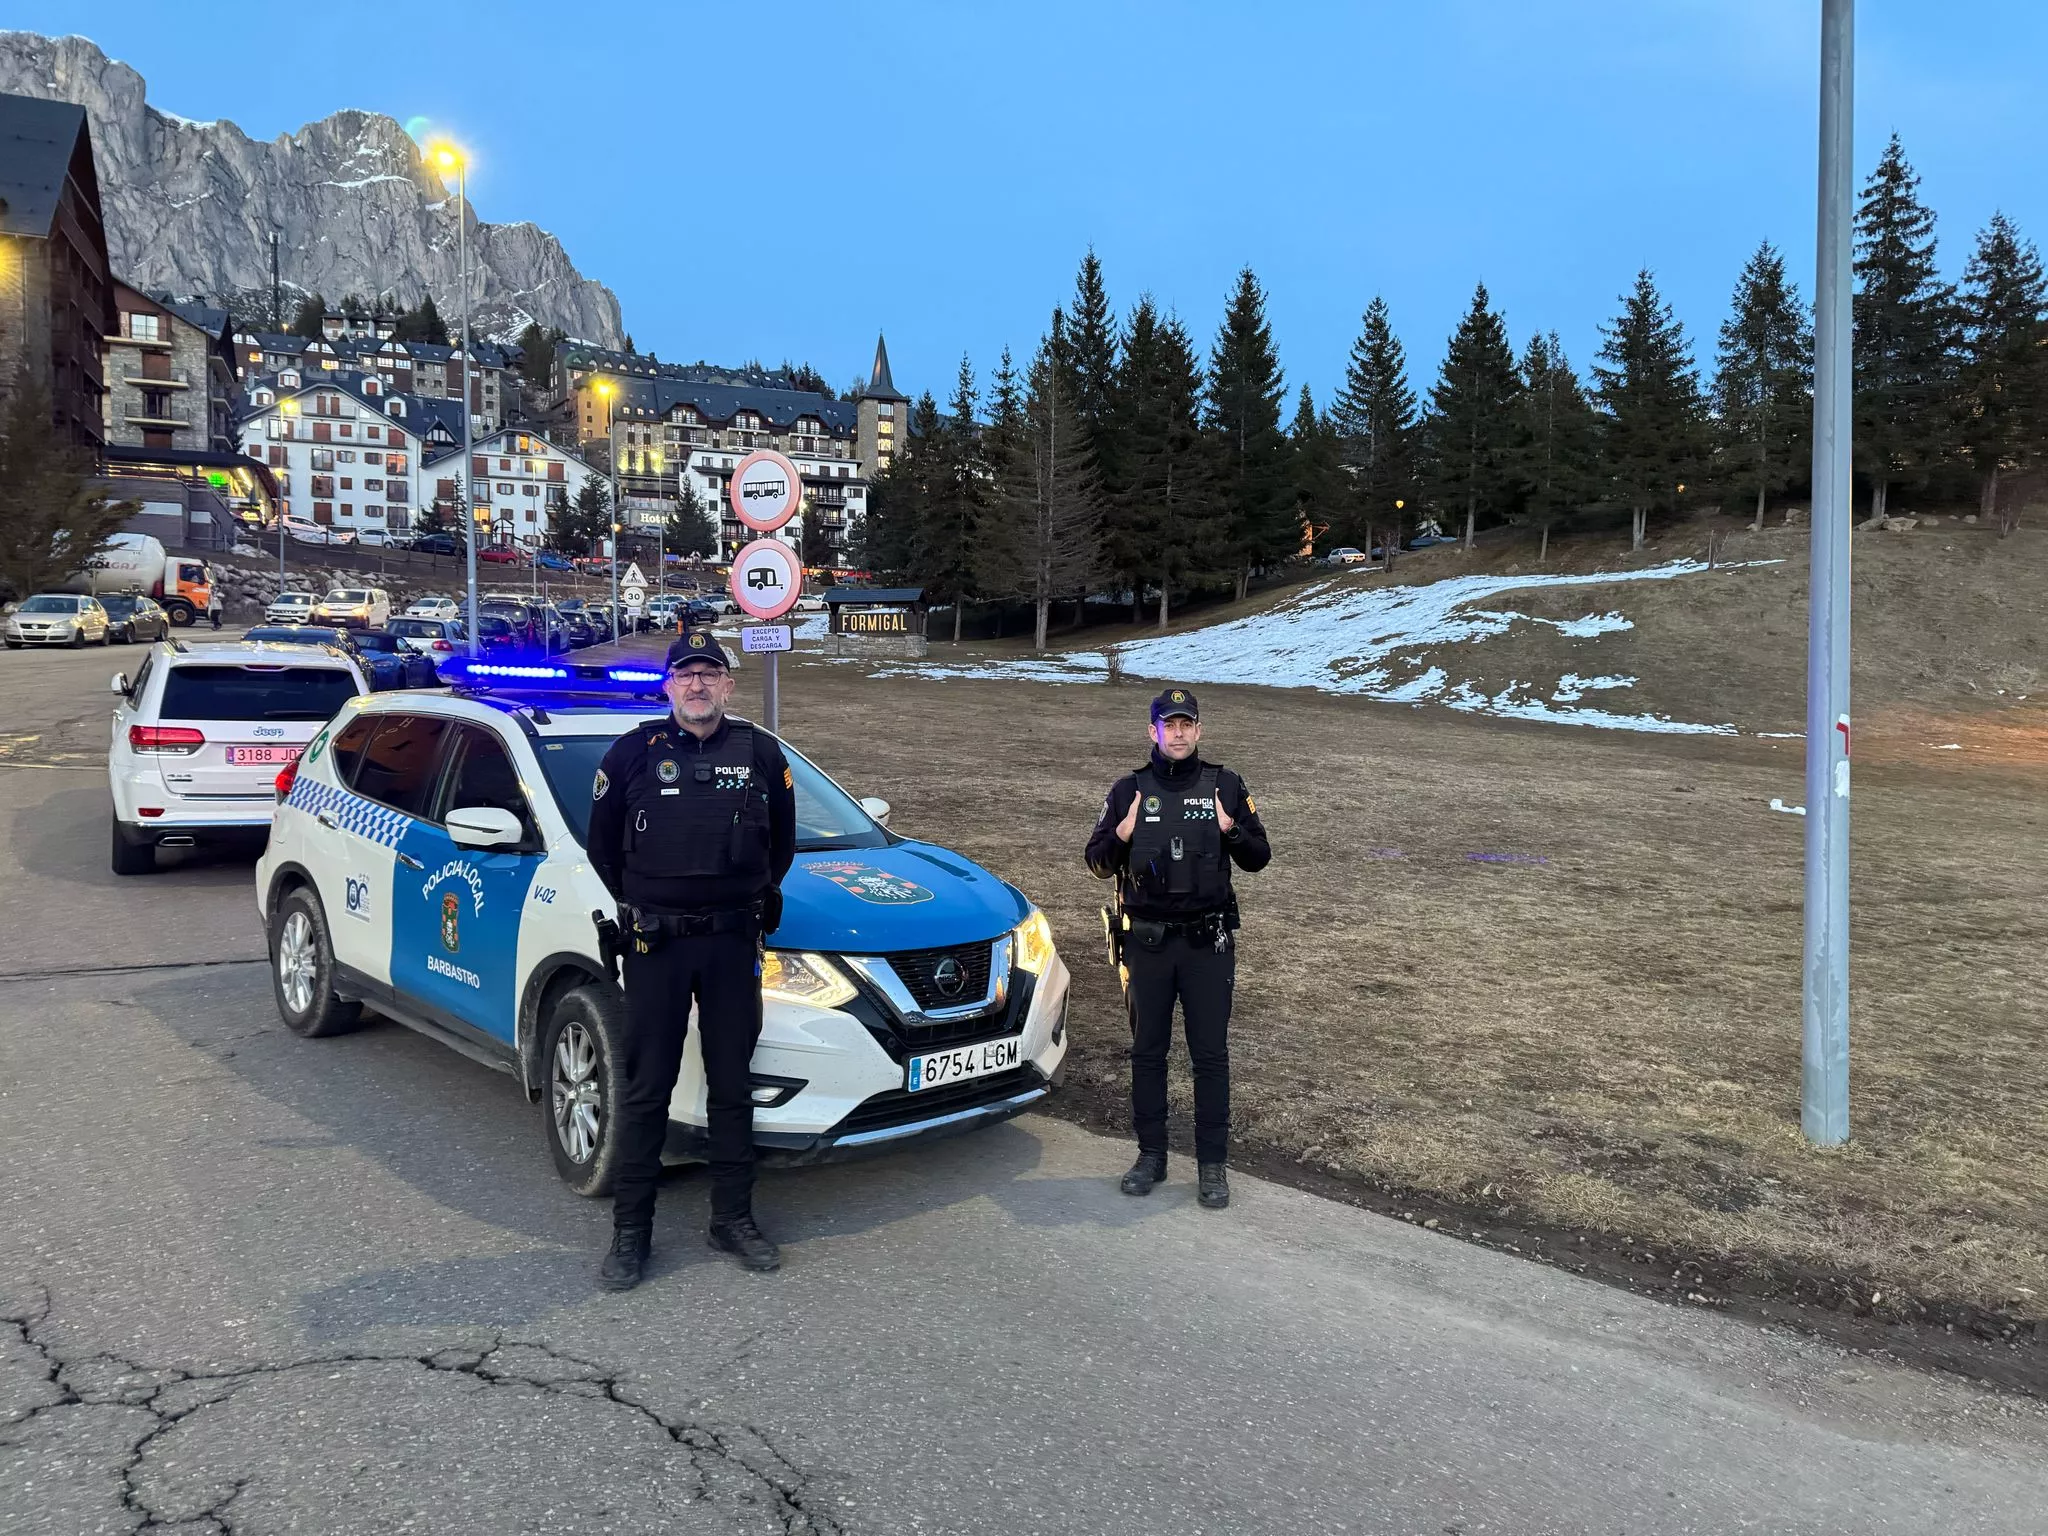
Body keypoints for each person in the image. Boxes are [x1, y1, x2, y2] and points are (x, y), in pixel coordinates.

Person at [586, 628, 797, 1289]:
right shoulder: (629, 754)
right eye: (686, 674)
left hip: (733, 944)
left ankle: (731, 1219)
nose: (698, 684)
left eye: (710, 673)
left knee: (733, 1086)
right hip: (658, 945)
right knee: (648, 1089)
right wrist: (650, 902)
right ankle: (631, 1233)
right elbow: (603, 850)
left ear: (728, 685)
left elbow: (781, 848)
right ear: (669, 685)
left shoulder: (762, 753)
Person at [1084, 687, 1270, 1209]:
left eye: (1187, 723)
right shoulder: (1128, 790)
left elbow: (1259, 858)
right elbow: (1095, 862)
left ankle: (1213, 1166)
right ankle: (1152, 1156)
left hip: (1207, 945)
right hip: (1148, 947)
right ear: (1154, 732)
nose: (1180, 732)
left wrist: (1231, 830)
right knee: (1148, 1053)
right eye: (1170, 724)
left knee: (1210, 1056)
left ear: (1199, 730)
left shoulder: (1227, 785)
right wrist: (1120, 833)